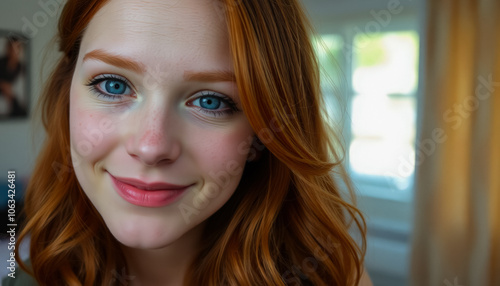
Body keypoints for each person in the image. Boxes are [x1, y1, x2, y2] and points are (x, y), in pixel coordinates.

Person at [5, 0, 372, 285]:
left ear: (264, 135)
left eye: (211, 101)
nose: (150, 147)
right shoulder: (23, 272)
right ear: (65, 93)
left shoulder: (335, 276)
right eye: (113, 85)